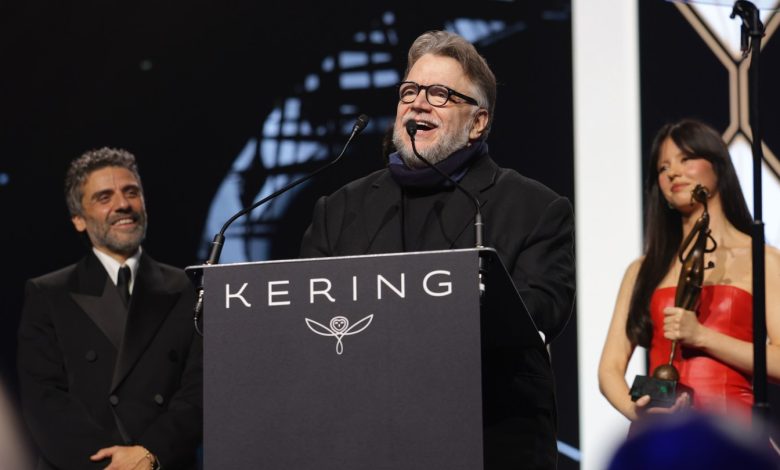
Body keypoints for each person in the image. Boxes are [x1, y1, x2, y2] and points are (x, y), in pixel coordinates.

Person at [300, 30, 575, 468]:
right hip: (363, 440)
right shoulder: (340, 209)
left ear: (478, 122)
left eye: (440, 94)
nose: (418, 104)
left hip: (487, 441)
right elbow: (302, 315)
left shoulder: (534, 208)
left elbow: (540, 312)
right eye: (409, 91)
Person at [17, 148, 202, 469]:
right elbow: (44, 400)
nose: (123, 204)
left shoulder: (188, 288)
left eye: (131, 192)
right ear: (78, 219)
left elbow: (200, 389)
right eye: (104, 197)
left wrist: (150, 453)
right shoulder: (47, 293)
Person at [598, 119, 780, 427]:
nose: (673, 173)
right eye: (663, 167)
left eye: (686, 159)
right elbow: (609, 369)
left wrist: (702, 337)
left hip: (731, 435)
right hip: (662, 437)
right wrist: (640, 414)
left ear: (718, 165)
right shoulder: (643, 269)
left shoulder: (763, 259)